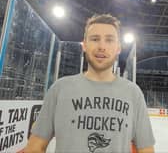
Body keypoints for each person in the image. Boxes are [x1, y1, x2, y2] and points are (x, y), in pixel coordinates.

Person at [24, 14, 155, 153]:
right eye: (95, 39)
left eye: (109, 40)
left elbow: (146, 149)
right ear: (85, 45)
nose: (101, 46)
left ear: (118, 48)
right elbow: (35, 147)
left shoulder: (133, 93)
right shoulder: (60, 88)